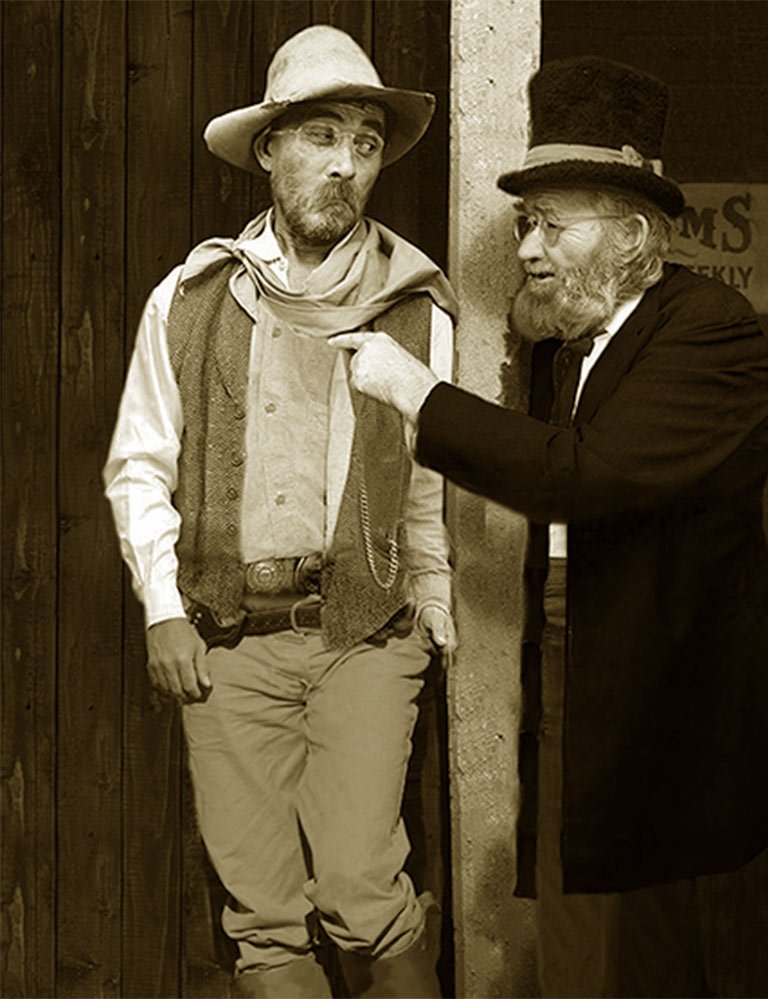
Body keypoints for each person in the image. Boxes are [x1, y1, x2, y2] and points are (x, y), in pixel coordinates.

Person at [334, 56, 768, 997]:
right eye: (526, 223)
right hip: (578, 653)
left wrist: (419, 394)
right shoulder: (578, 348)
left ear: (631, 234)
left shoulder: (708, 325)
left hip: (658, 679)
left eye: (553, 224)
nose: (527, 248)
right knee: (577, 911)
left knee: (634, 938)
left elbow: (588, 476)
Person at [104, 25, 457, 999]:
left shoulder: (416, 304)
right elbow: (140, 464)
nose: (345, 164)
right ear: (268, 150)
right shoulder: (191, 297)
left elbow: (427, 478)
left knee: (359, 884)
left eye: (366, 144)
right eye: (321, 136)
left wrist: (432, 595)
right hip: (229, 638)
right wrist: (163, 609)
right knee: (260, 914)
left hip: (362, 634)